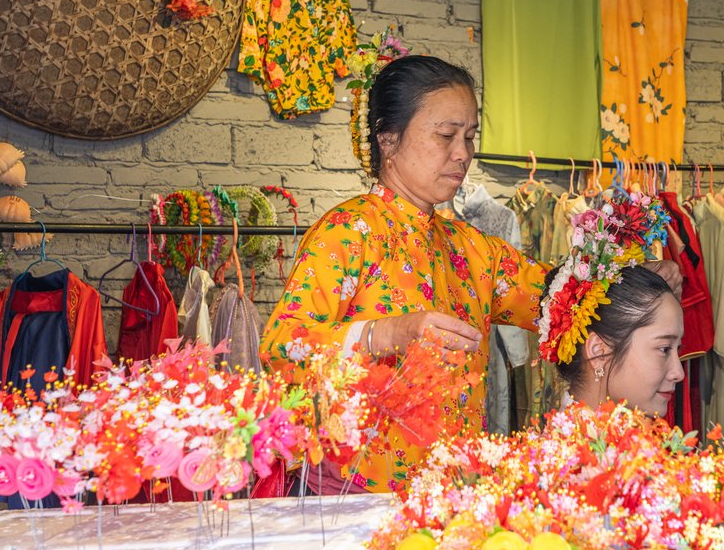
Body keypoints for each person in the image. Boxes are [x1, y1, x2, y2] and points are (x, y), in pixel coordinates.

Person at [261, 55, 547, 494]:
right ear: (388, 139)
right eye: (446, 136)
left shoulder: (470, 246)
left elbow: (555, 302)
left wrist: (626, 275)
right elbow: (282, 347)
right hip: (357, 496)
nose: (463, 154)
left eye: (469, 137)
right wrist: (385, 333)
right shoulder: (349, 232)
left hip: (449, 495)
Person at [536, 196, 685, 417]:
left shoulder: (604, 444)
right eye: (664, 349)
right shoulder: (576, 451)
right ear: (598, 351)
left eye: (677, 350)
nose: (679, 373)